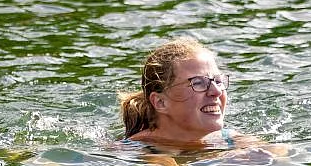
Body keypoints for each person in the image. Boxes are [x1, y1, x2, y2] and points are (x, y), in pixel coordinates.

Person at [119, 38, 285, 158]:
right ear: (161, 102)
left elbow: (281, 154)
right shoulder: (139, 149)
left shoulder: (227, 137)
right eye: (198, 83)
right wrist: (228, 159)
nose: (216, 91)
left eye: (218, 81)